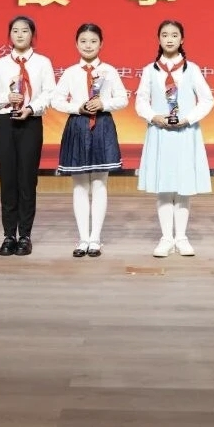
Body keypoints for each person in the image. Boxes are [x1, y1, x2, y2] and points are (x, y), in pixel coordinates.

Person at [135, 20, 214, 258]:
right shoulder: (150, 70)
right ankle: (166, 238)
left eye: (174, 35)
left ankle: (181, 237)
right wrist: (154, 117)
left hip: (185, 134)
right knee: (164, 186)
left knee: (183, 186)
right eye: (164, 35)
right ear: (158, 39)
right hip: (160, 133)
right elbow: (140, 100)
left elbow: (207, 99)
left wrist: (188, 119)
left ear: (182, 40)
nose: (169, 39)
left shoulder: (192, 69)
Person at [53, 23, 129, 258]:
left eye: (93, 41)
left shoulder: (109, 71)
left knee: (99, 183)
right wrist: (78, 107)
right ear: (76, 44)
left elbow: (123, 98)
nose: (88, 45)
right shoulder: (70, 72)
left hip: (102, 125)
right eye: (83, 41)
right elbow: (56, 100)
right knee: (79, 185)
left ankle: (95, 239)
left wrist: (103, 104)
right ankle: (82, 239)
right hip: (78, 126)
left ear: (101, 44)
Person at [0, 16, 55, 257]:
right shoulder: (0, 64)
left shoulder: (43, 63)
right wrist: (7, 98)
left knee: (27, 179)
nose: (20, 35)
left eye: (25, 31)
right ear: (10, 35)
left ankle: (25, 235)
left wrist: (31, 108)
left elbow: (49, 94)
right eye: (15, 31)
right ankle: (8, 235)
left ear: (32, 35)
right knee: (7, 180)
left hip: (30, 122)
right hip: (4, 122)